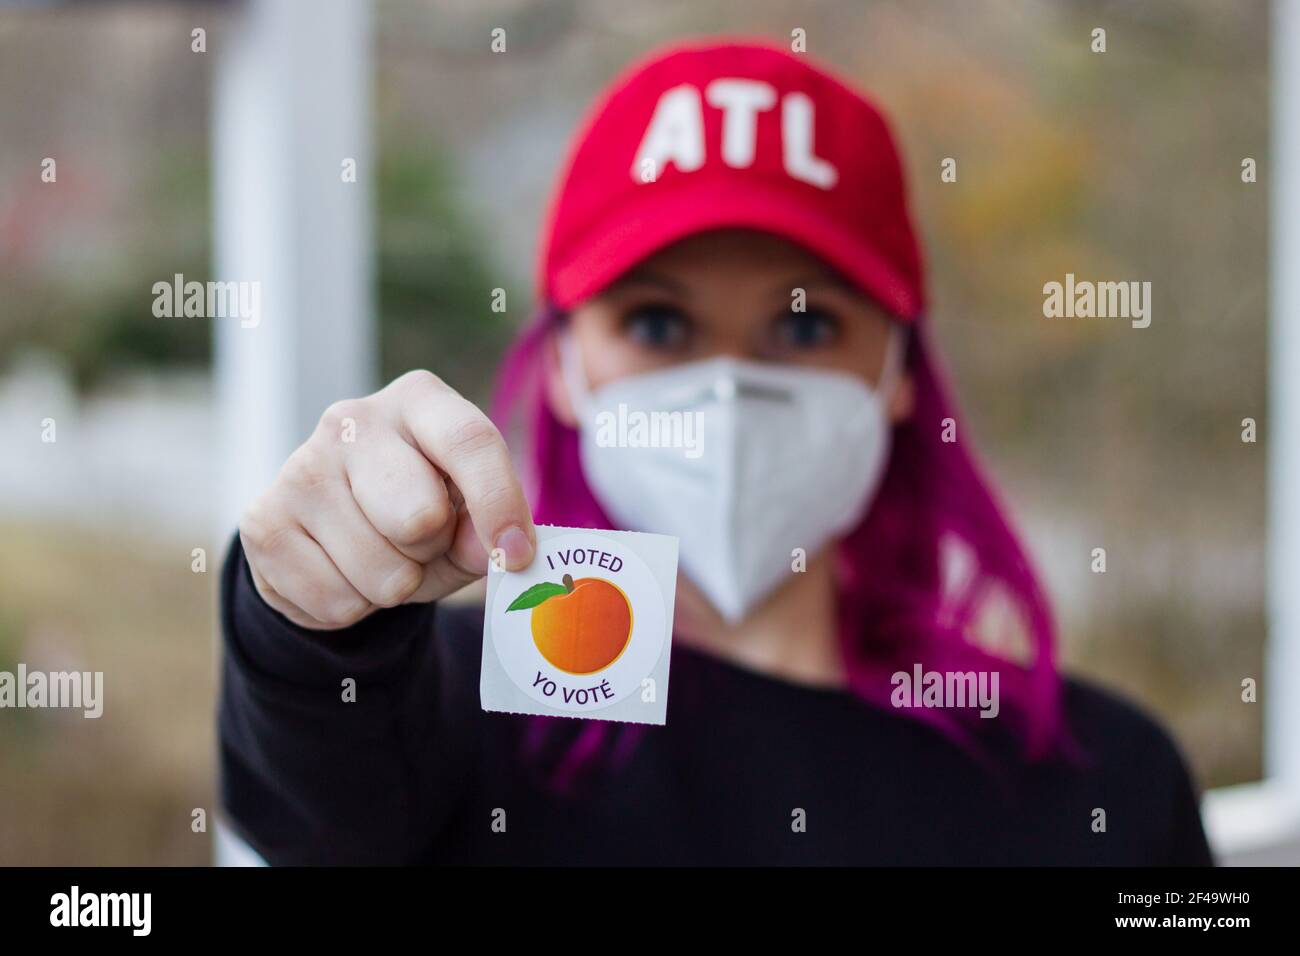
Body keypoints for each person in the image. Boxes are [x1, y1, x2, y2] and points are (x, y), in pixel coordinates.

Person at [218, 39, 1213, 865]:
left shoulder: (1105, 781)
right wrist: (305, 619)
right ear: (563, 365)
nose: (730, 382)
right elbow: (310, 794)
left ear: (899, 372)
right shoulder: (444, 702)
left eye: (805, 325)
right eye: (656, 325)